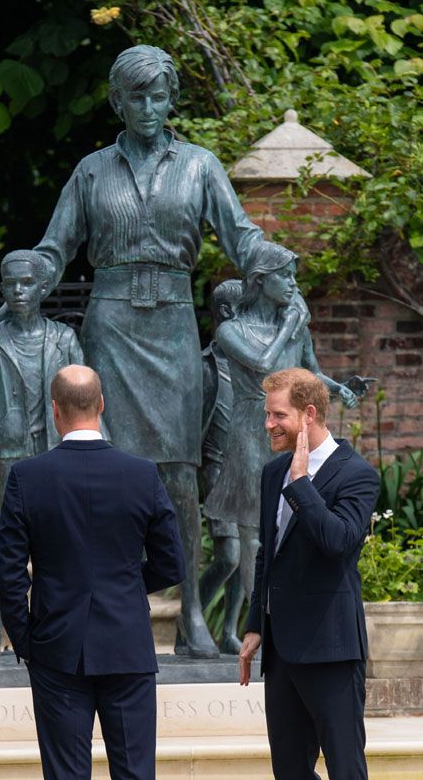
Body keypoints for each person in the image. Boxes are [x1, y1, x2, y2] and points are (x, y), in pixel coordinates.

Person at [25, 44, 308, 658]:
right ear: (117, 101)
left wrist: (282, 268)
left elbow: (241, 237)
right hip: (112, 324)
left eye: (159, 95)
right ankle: (106, 606)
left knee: (180, 474)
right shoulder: (92, 171)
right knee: (104, 469)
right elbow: (55, 248)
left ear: (171, 99)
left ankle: (190, 619)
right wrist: (27, 285)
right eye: (136, 96)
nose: (149, 107)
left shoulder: (201, 166)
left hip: (175, 328)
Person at [0, 365, 185, 780]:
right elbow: (172, 562)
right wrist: (128, 589)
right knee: (135, 773)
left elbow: (8, 576)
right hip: (127, 643)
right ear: (101, 405)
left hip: (56, 646)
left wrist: (28, 641)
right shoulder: (142, 473)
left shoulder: (26, 478)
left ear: (55, 410)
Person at [239, 368, 380, 780]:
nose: (269, 424)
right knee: (289, 771)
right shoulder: (272, 473)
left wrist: (301, 483)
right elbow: (268, 552)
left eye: (278, 415)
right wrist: (254, 625)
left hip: (331, 648)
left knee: (346, 768)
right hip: (281, 652)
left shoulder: (358, 474)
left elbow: (338, 543)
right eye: (268, 414)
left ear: (309, 414)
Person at [203, 242, 358, 607]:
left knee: (299, 518)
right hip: (252, 429)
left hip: (296, 433)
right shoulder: (232, 329)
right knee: (255, 530)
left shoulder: (296, 328)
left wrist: (339, 390)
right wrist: (290, 324)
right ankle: (263, 615)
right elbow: (262, 363)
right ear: (260, 280)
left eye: (293, 275)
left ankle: (292, 608)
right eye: (284, 275)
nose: (292, 284)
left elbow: (312, 373)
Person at [0, 249, 85, 657]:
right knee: (10, 553)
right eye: (9, 283)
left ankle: (52, 630)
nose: (17, 290)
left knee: (61, 548)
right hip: (11, 458)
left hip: (58, 456)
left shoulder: (64, 338)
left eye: (26, 282)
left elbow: (88, 400)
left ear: (43, 287)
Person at [199, 279, 244, 654]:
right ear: (228, 313)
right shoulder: (204, 367)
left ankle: (229, 631)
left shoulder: (252, 365)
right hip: (216, 472)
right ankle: (192, 619)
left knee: (245, 554)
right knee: (229, 555)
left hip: (249, 469)